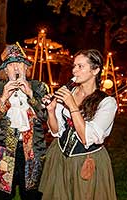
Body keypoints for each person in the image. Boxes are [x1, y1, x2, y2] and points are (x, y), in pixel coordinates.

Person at [39, 49, 117, 200]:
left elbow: (86, 137)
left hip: (86, 159)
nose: (75, 70)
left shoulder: (107, 102)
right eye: (74, 66)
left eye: (80, 66)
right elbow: (56, 131)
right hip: (59, 156)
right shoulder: (68, 92)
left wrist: (72, 105)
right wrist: (51, 110)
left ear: (95, 70)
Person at [0, 44, 48, 200]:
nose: (15, 68)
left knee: (32, 194)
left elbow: (45, 116)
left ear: (26, 67)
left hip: (33, 149)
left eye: (20, 63)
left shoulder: (39, 86)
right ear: (5, 70)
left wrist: (30, 94)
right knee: (1, 195)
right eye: (11, 65)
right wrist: (4, 97)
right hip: (5, 148)